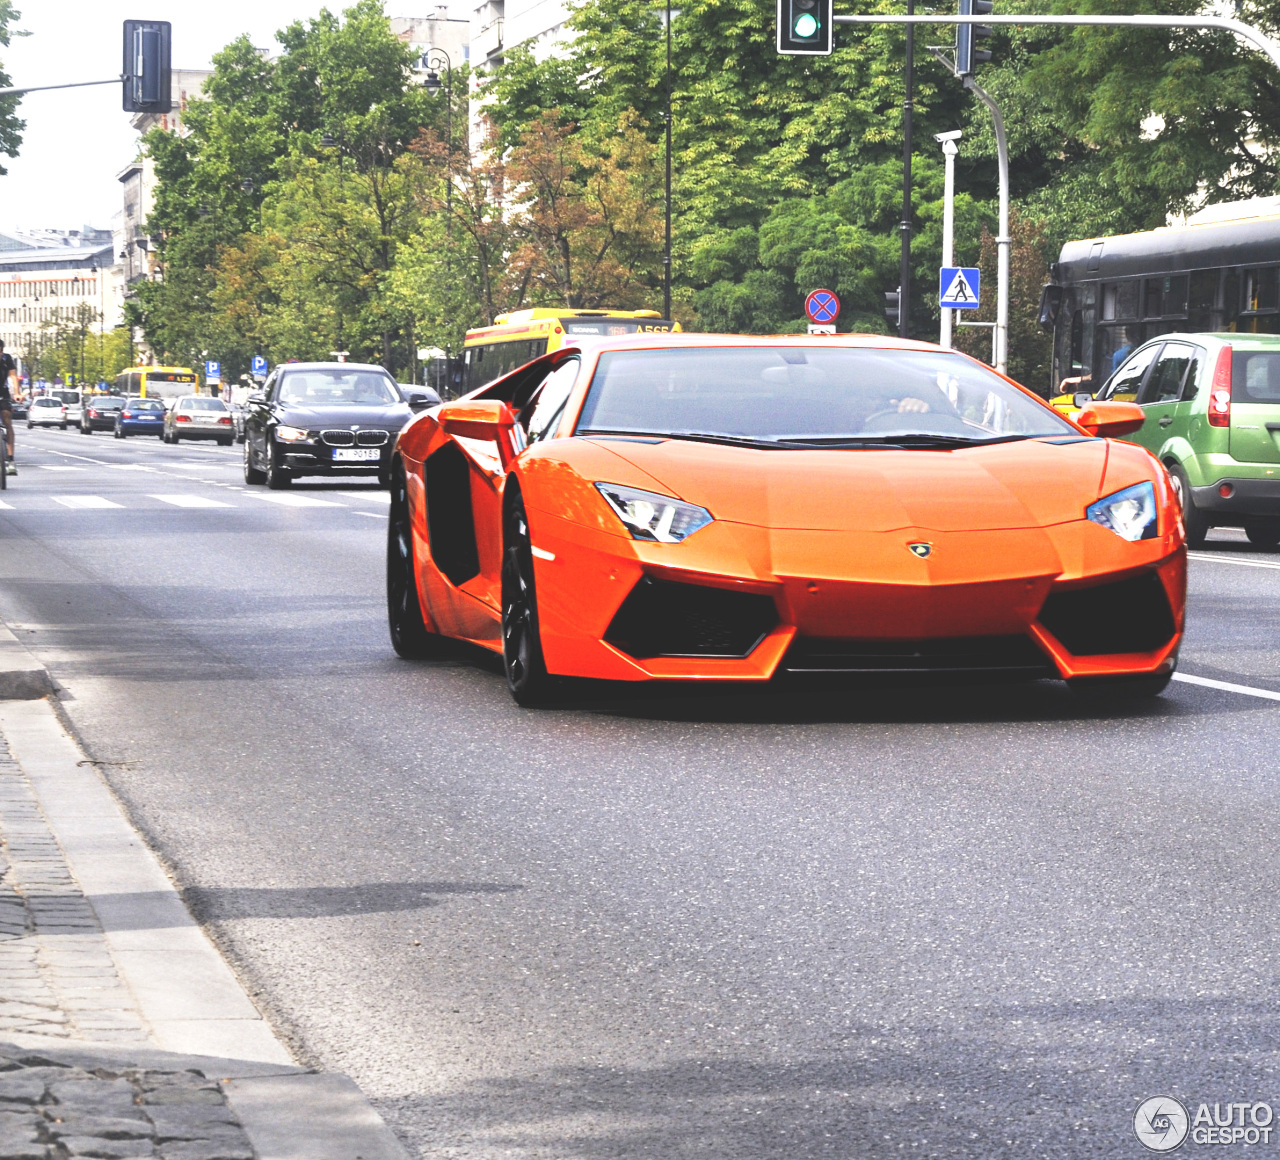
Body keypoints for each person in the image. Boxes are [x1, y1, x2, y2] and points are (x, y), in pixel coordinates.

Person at [0, 340, 16, 476]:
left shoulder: (7, 359)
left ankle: (10, 459)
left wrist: (16, 392)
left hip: (3, 393)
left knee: (7, 419)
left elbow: (13, 375)